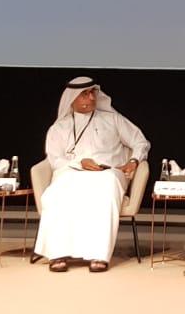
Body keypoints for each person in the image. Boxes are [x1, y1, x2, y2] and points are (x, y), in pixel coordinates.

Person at [35, 76, 150, 272]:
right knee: (55, 194)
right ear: (72, 98)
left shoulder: (112, 119)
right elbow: (55, 160)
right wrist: (80, 163)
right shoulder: (58, 128)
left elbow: (140, 141)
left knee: (106, 188)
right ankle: (58, 253)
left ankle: (99, 255)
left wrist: (134, 160)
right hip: (71, 173)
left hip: (107, 173)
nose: (91, 97)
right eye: (85, 94)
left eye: (93, 93)